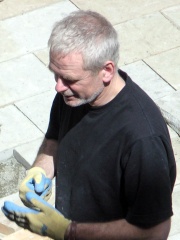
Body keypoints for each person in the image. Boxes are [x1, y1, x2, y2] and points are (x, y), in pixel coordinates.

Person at [2, 10, 176, 240]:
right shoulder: (73, 96)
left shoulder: (143, 140)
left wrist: (68, 231)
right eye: (56, 75)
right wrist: (41, 170)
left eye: (70, 79)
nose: (59, 87)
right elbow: (54, 138)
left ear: (106, 71)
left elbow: (155, 231)